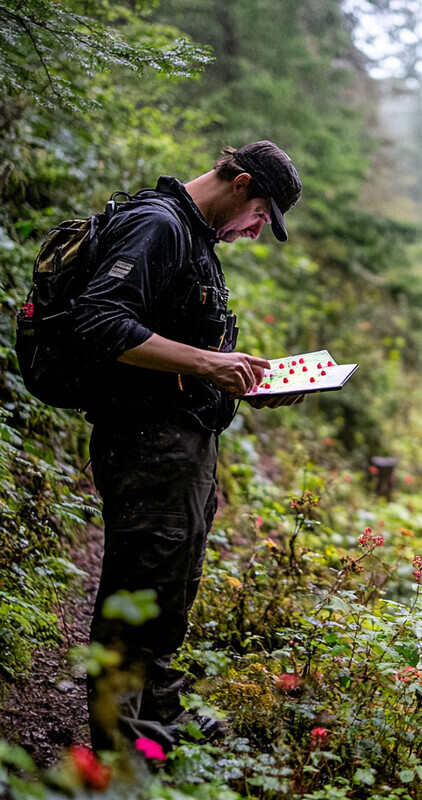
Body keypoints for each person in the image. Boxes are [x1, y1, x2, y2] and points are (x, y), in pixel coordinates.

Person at [73, 140, 302, 753]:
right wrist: (209, 363)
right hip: (145, 441)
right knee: (140, 590)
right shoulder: (158, 224)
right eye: (261, 215)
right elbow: (99, 324)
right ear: (241, 181)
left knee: (172, 583)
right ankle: (118, 752)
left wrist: (243, 379)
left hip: (182, 441)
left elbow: (180, 346)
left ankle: (158, 719)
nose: (256, 232)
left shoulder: (193, 235)